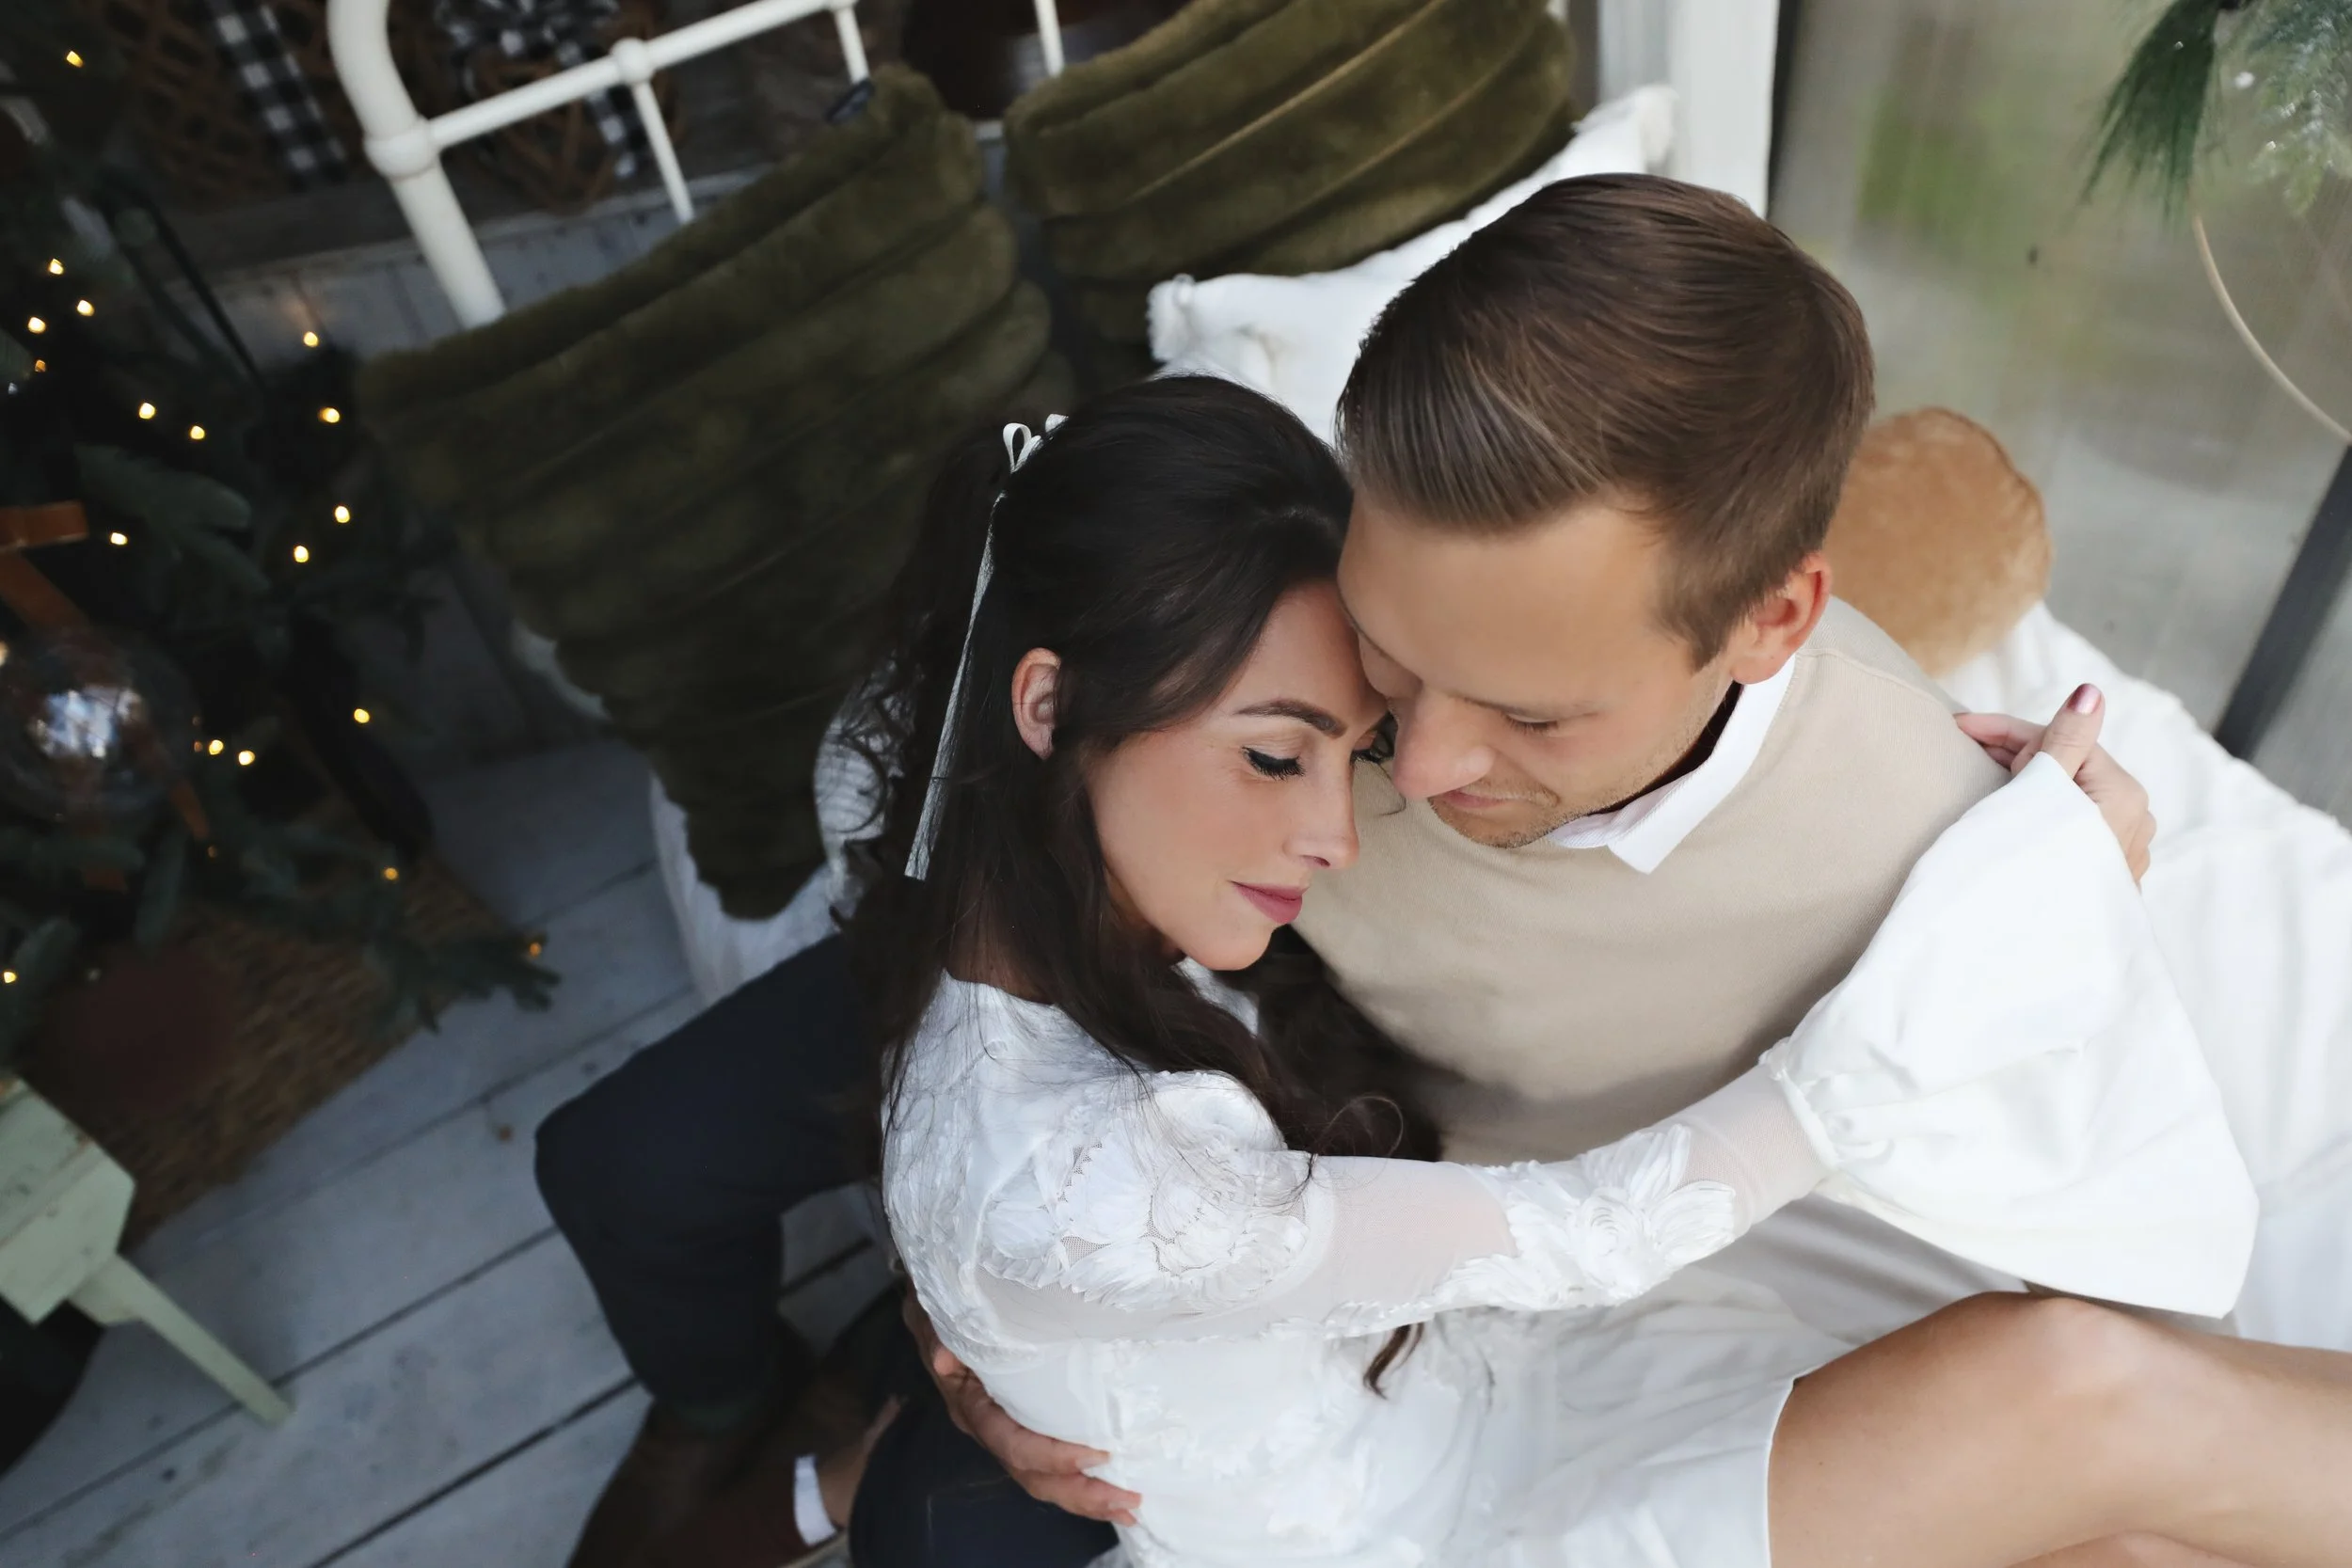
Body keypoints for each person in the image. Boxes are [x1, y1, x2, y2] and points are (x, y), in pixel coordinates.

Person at [529, 174, 2212, 1568]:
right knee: (631, 1156)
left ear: (1770, 623)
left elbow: (2078, 1238)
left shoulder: (1908, 846)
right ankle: (726, 1399)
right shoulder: (1346, 577)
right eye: (1390, 673)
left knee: (936, 1524)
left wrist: (2051, 880)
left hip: (1286, 1131)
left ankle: (842, 1436)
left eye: (1533, 712)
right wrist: (974, 1279)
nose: (1409, 770)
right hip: (1102, 938)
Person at [852, 372, 2352, 1568]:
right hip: (1442, 1532)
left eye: (1350, 748)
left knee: (2131, 1533)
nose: (1345, 830)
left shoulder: (985, 862)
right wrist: (1972, 958)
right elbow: (1580, 1234)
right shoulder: (1069, 1175)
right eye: (1274, 757)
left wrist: (983, 1326)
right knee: (2076, 1389)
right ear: (1045, 702)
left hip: (1494, 1385)